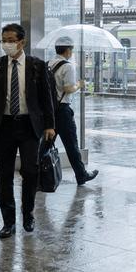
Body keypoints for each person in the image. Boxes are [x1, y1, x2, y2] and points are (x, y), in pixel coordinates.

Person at [0, 23, 55, 239]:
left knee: (31, 171)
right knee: (4, 174)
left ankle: (28, 213)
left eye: (10, 40)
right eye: (3, 40)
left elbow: (45, 97)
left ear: (21, 42)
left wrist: (50, 125)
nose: (6, 44)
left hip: (29, 125)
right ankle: (8, 221)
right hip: (4, 125)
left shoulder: (36, 65)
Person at [49, 36, 98, 185]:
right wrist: (79, 85)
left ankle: (38, 175)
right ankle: (81, 175)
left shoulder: (48, 64)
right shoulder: (68, 66)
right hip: (63, 110)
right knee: (71, 144)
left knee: (44, 145)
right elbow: (69, 89)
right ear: (68, 50)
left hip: (50, 110)